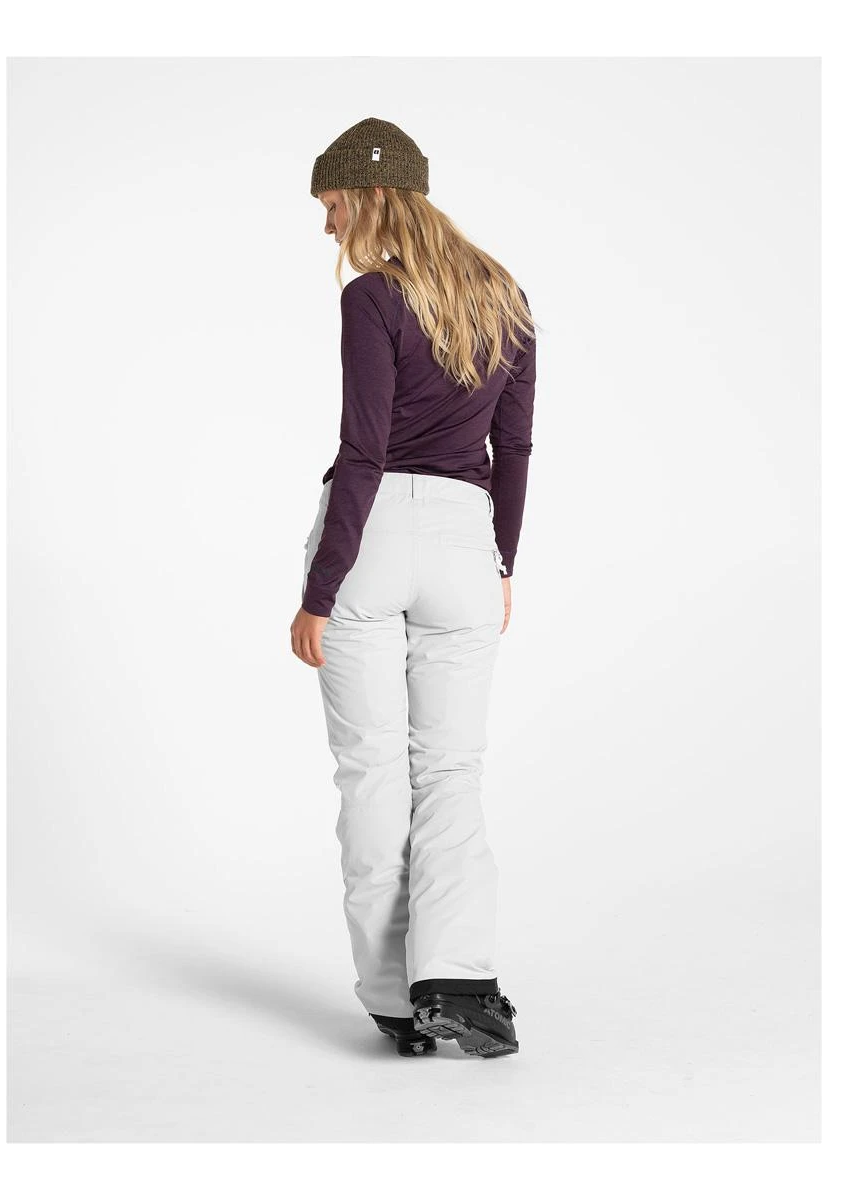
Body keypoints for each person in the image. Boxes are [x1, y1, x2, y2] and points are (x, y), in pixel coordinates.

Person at [290, 117, 535, 1059]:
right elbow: (513, 447)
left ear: (373, 196)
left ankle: (395, 999)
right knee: (451, 770)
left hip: (374, 532)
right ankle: (456, 980)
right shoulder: (504, 295)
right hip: (467, 542)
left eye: (332, 205)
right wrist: (501, 563)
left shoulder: (373, 298)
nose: (328, 227)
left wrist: (320, 592)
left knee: (372, 771)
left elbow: (364, 449)